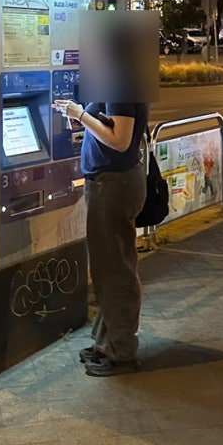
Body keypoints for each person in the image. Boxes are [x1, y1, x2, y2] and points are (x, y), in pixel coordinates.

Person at [54, 90, 149, 376]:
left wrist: (80, 114)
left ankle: (121, 353)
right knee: (108, 269)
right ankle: (106, 343)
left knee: (115, 271)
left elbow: (119, 140)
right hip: (110, 182)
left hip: (113, 184)